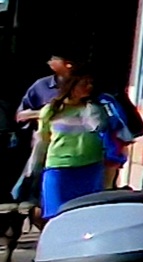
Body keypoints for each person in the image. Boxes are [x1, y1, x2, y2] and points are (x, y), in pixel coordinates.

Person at [28, 68, 131, 217]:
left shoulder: (95, 109)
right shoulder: (51, 111)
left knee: (85, 213)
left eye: (91, 83)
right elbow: (43, 140)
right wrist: (34, 166)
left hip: (90, 168)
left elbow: (100, 128)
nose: (89, 87)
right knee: (56, 213)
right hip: (59, 167)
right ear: (71, 85)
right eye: (84, 83)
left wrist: (93, 109)